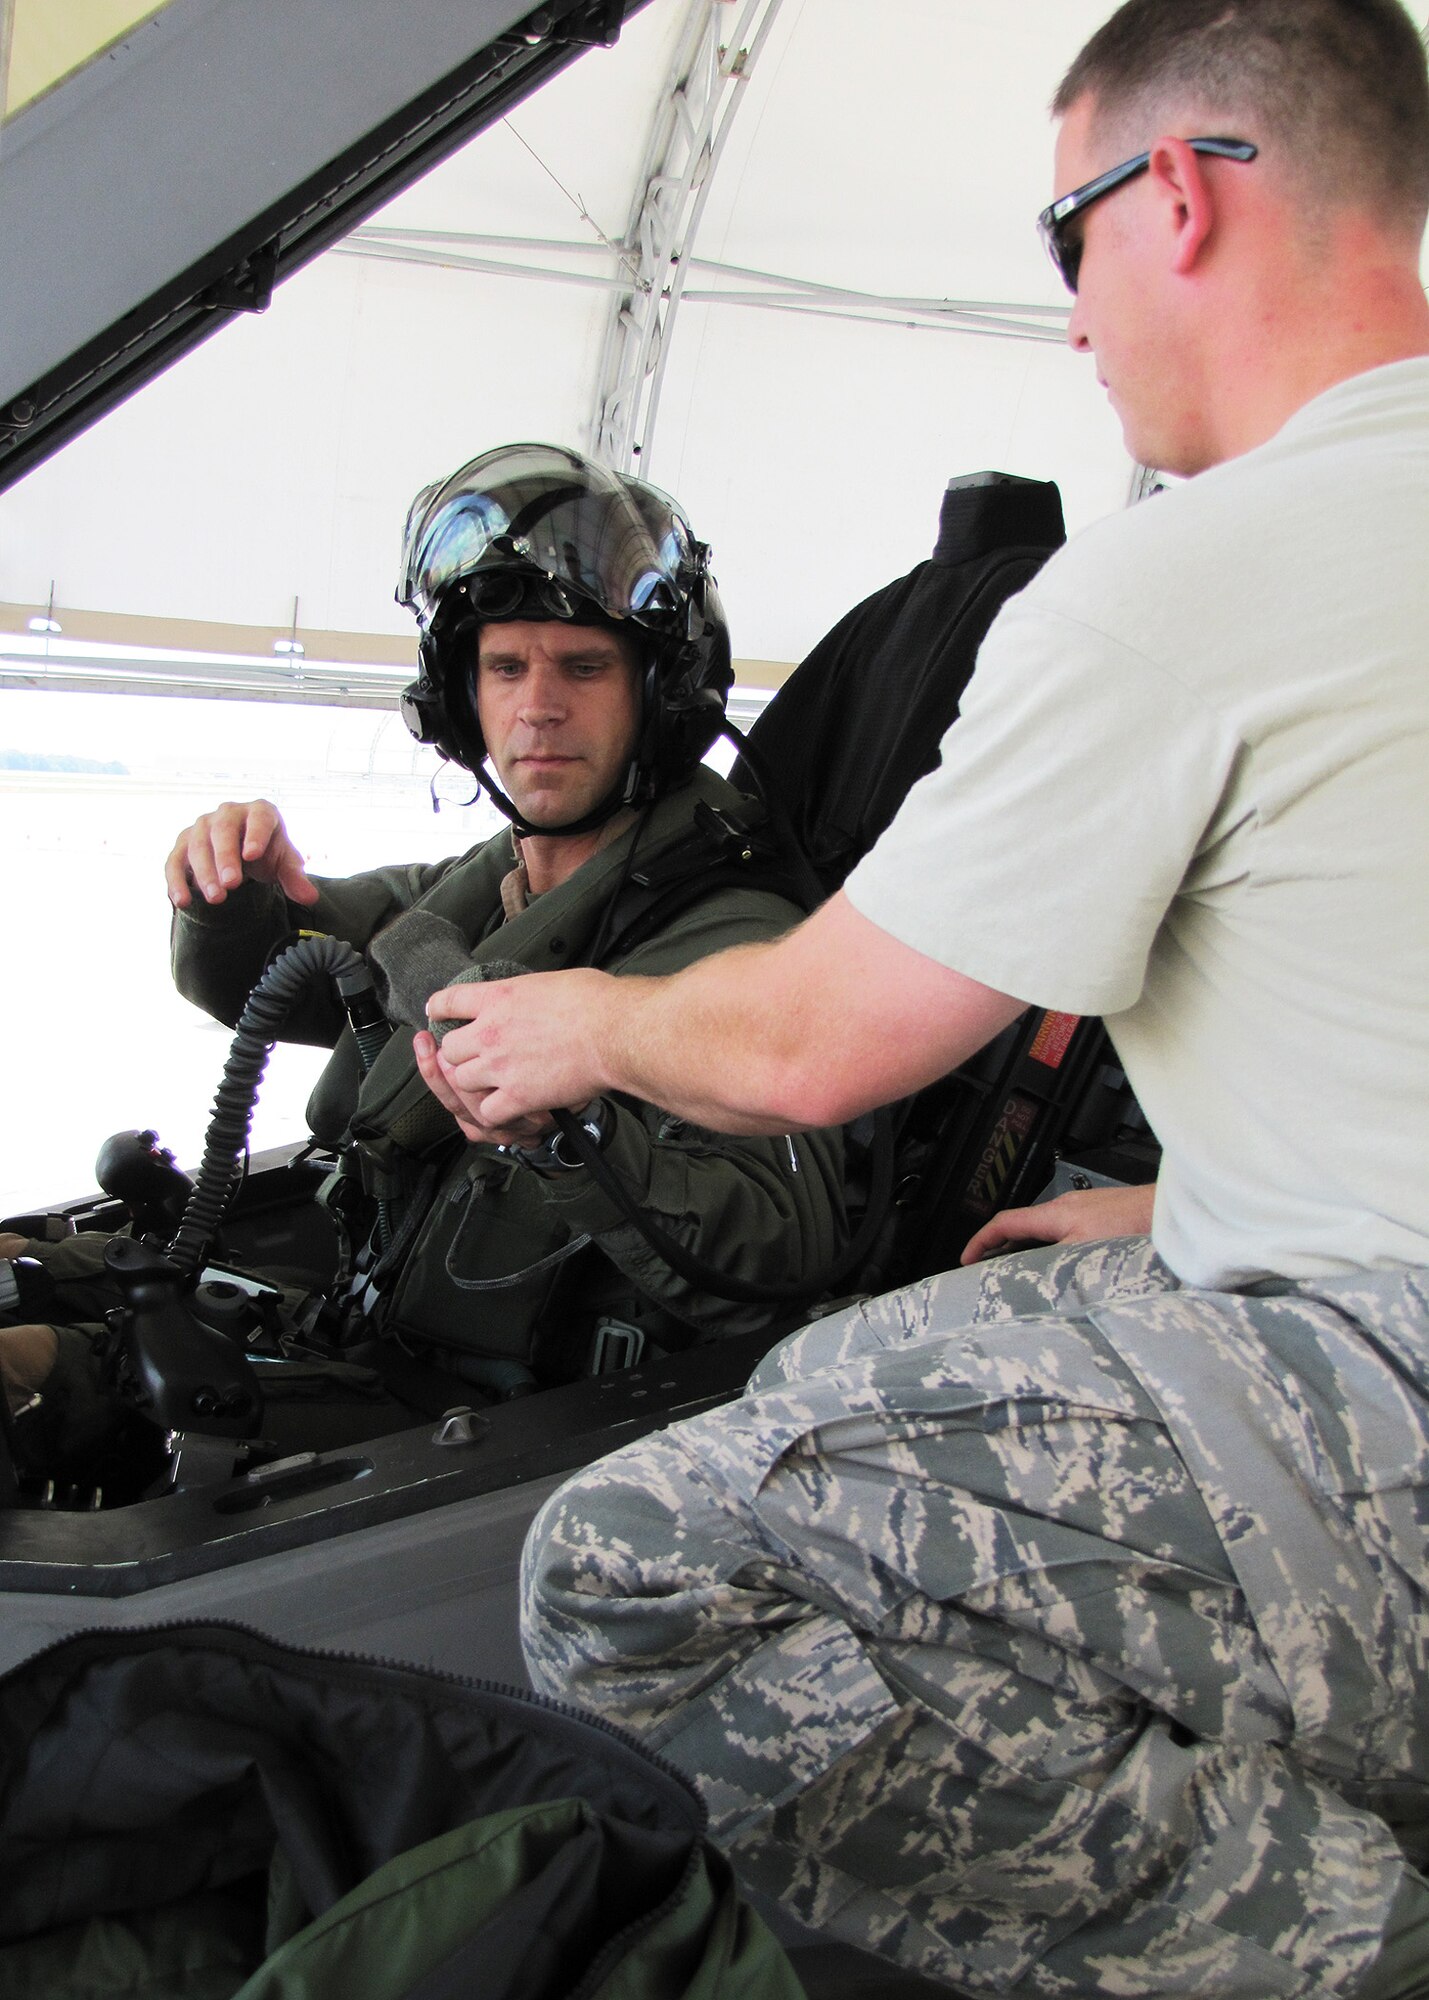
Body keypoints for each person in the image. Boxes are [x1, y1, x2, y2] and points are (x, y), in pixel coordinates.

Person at [415, 5, 1429, 1994]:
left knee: (638, 1562)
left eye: (1070, 236)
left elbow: (811, 1045)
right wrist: (1191, 1200)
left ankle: (1348, 1935)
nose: (1069, 319)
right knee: (954, 1312)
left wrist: (587, 1027)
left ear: (1183, 197)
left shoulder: (1194, 576)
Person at [1, 446, 844, 1460]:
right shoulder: (500, 880)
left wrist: (565, 1127)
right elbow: (270, 967)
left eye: (582, 666)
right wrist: (228, 886)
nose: (538, 705)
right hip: (366, 1326)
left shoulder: (729, 933)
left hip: (509, 1431)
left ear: (659, 694)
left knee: (41, 1378)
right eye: (503, 666)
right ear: (460, 698)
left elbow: (781, 1246)